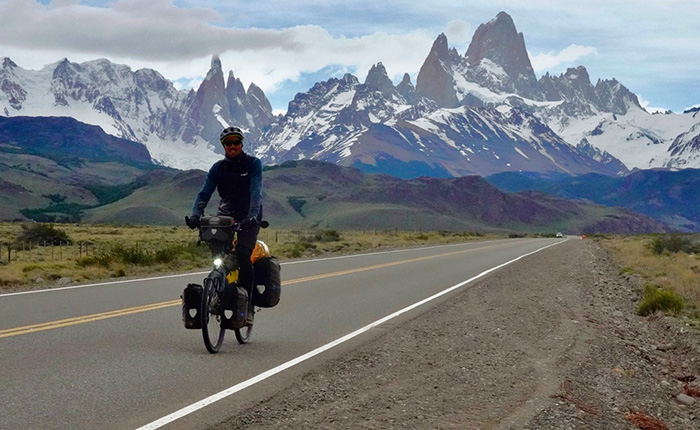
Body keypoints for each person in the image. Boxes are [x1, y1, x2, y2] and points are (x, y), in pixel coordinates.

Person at [186, 126, 263, 321]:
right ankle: (219, 291)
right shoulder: (218, 168)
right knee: (219, 256)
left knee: (244, 254)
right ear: (223, 146)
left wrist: (253, 216)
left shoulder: (253, 164)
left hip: (249, 216)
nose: (232, 146)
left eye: (236, 142)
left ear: (241, 144)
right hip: (226, 215)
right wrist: (196, 214)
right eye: (228, 143)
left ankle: (248, 304)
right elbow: (204, 193)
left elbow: (256, 192)